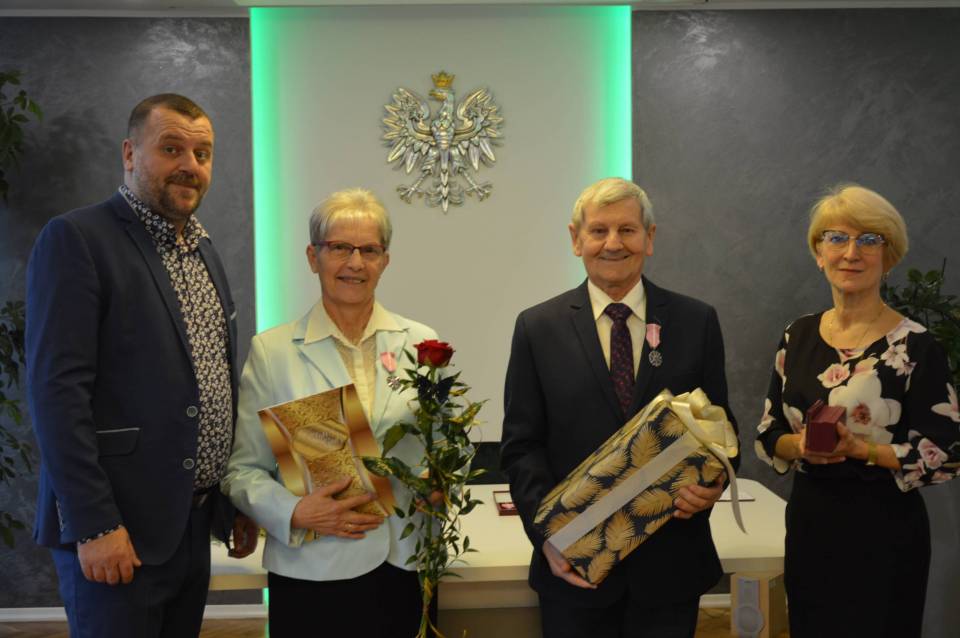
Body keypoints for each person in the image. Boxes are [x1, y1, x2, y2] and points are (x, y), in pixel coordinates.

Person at [25, 93, 257, 637]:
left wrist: (228, 504)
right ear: (130, 154)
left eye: (202, 153)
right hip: (118, 532)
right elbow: (57, 394)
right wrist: (95, 524)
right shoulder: (77, 239)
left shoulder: (204, 250)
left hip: (190, 525)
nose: (190, 165)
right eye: (171, 148)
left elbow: (210, 384)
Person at [500, 177, 739, 638]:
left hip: (671, 569)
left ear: (649, 238)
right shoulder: (537, 327)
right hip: (574, 570)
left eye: (627, 230)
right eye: (599, 230)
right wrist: (550, 536)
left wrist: (713, 485)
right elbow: (521, 447)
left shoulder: (696, 321)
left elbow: (724, 430)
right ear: (576, 240)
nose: (613, 243)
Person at [222, 188, 438, 637]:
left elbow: (448, 446)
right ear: (312, 257)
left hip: (406, 562)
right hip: (313, 568)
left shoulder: (421, 343)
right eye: (339, 247)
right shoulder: (273, 353)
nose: (355, 263)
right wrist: (295, 512)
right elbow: (242, 471)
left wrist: (442, 485)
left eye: (369, 250)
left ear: (385, 261)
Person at [755, 184, 960, 637]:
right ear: (819, 253)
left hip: (885, 531)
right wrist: (800, 446)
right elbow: (769, 433)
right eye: (837, 238)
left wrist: (860, 450)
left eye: (869, 240)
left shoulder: (917, 346)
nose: (851, 253)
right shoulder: (797, 335)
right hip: (811, 525)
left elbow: (946, 453)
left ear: (889, 256)